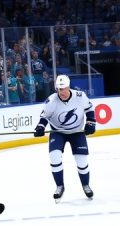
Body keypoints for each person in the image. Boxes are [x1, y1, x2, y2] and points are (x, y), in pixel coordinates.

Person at [33, 74, 95, 203]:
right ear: (57, 89)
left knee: (82, 161)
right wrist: (40, 127)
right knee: (54, 156)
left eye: (65, 88)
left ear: (69, 87)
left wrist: (90, 123)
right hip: (58, 132)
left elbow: (89, 109)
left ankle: (86, 185)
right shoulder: (51, 100)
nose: (63, 92)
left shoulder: (80, 96)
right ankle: (59, 186)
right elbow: (44, 116)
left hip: (77, 132)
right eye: (60, 89)